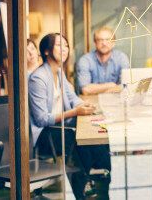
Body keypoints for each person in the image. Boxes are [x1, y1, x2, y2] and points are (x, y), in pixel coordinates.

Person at [28, 33, 103, 199]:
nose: (65, 49)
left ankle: (88, 179)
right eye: (59, 45)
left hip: (60, 129)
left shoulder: (59, 72)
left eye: (66, 46)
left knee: (92, 130)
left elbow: (73, 97)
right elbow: (41, 119)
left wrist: (84, 105)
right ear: (46, 51)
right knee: (79, 138)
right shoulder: (38, 78)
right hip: (44, 136)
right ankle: (84, 183)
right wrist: (75, 112)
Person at [76, 26, 130, 95]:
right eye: (100, 40)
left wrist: (97, 90)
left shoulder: (122, 58)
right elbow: (85, 90)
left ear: (113, 43)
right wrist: (111, 85)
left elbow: (126, 86)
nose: (104, 43)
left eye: (108, 40)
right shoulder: (85, 60)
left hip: (115, 102)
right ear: (95, 43)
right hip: (90, 103)